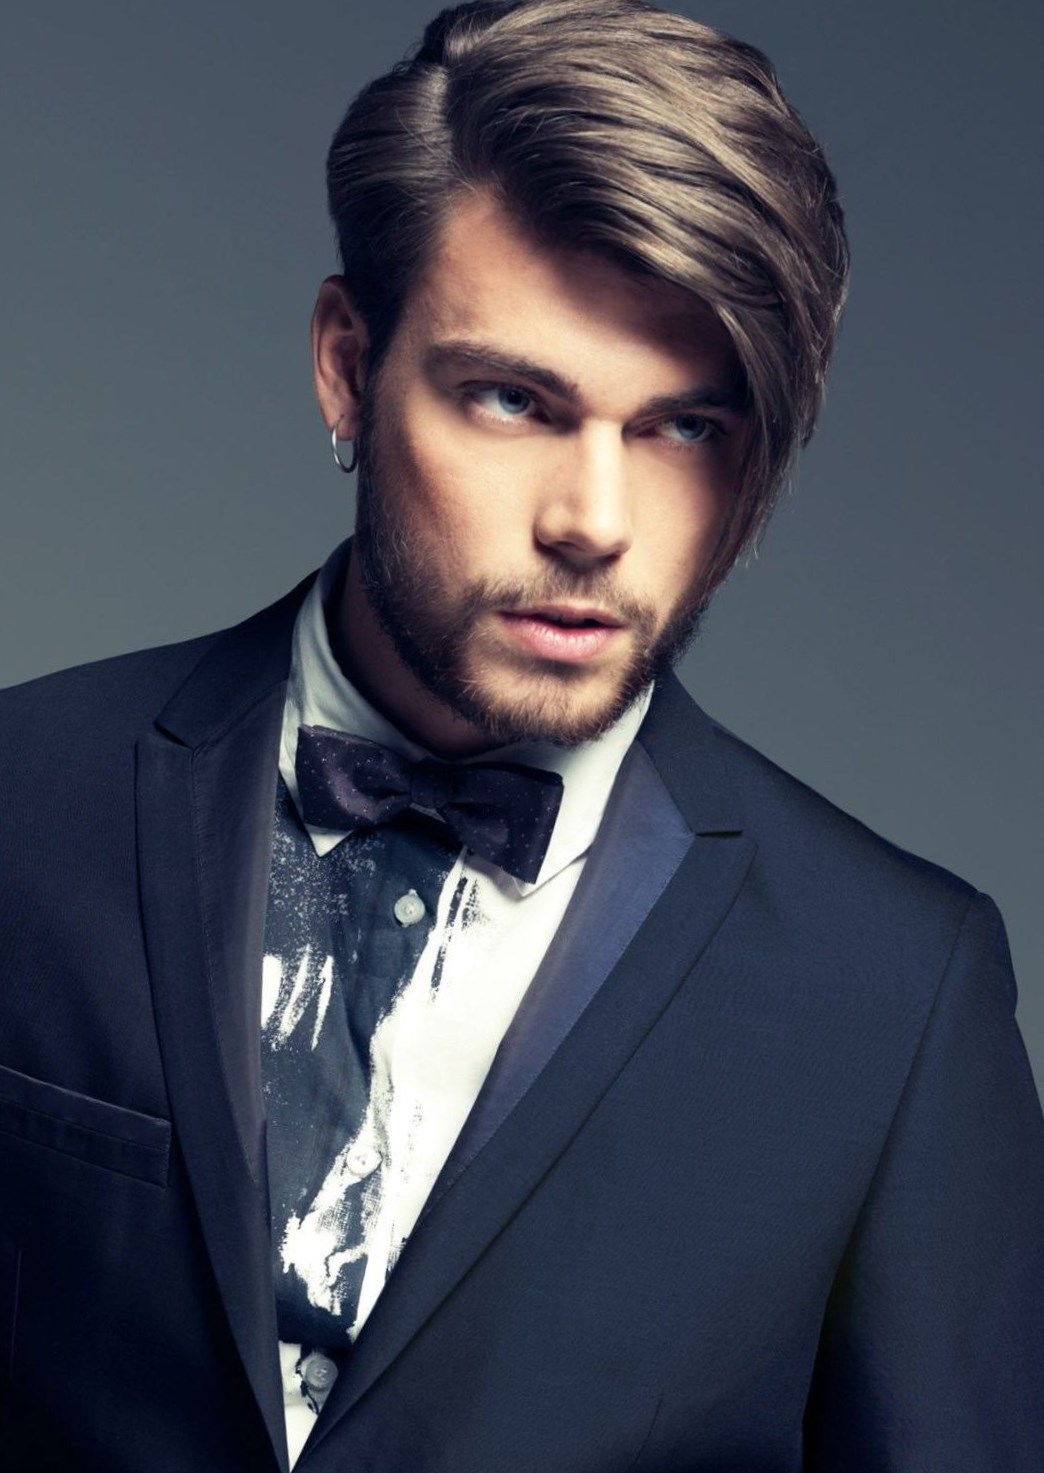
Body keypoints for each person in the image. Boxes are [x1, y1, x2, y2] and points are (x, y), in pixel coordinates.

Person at [0, 0, 1041, 1468]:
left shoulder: (898, 993)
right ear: (347, 365)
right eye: (512, 400)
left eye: (683, 428)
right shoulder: (24, 800)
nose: (594, 523)